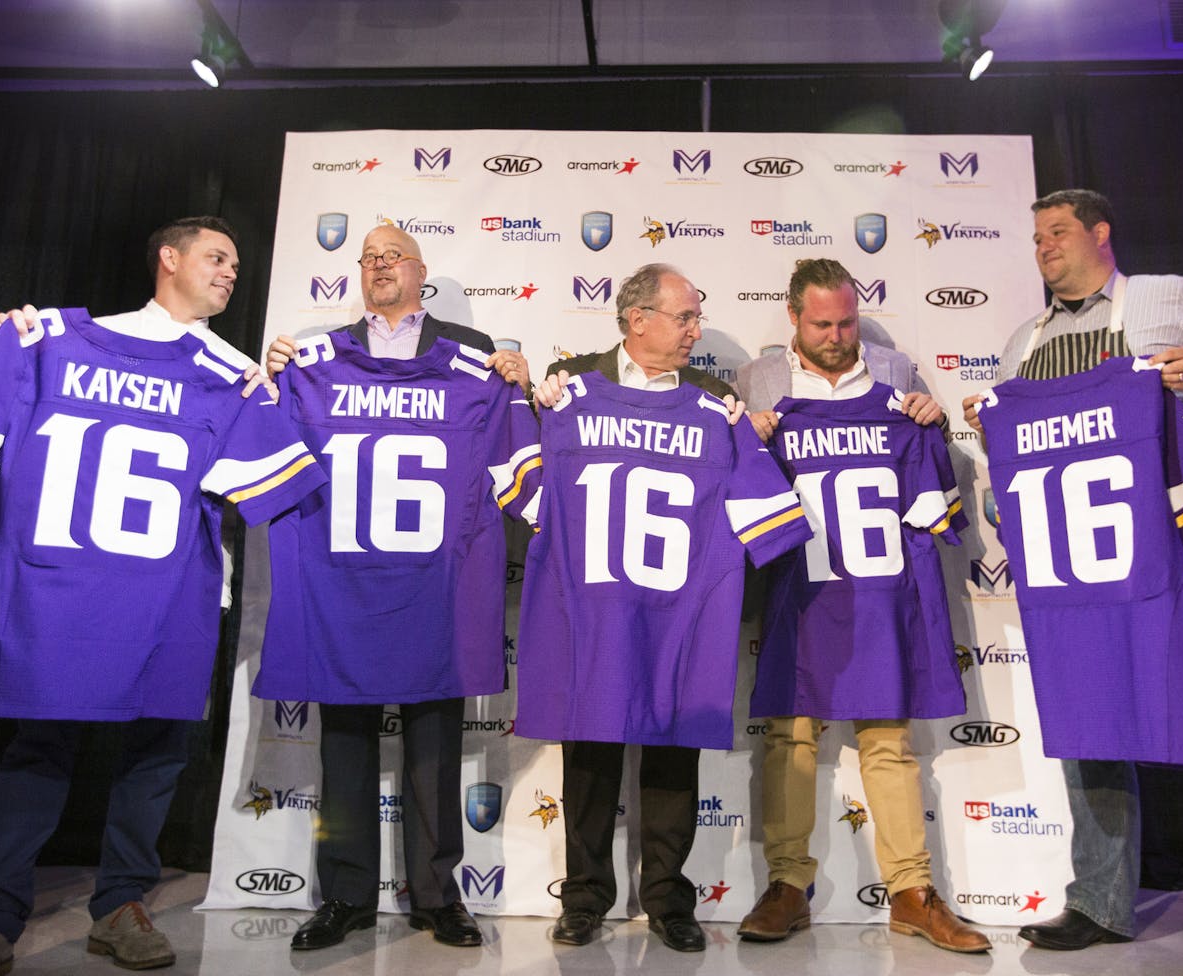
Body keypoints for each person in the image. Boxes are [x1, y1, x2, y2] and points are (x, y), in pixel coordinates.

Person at [0, 217, 327, 975]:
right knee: (37, 750)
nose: (231, 272)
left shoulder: (232, 373)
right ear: (168, 259)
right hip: (59, 596)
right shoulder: (43, 340)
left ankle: (120, 904)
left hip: (165, 601)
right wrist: (2, 342)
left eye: (236, 263)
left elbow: (286, 489)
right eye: (217, 257)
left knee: (156, 752)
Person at [962, 189, 1183, 976]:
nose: (1044, 246)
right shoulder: (1024, 341)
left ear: (1101, 233)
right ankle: (1099, 901)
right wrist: (994, 451)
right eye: (1037, 236)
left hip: (1178, 548)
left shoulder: (1167, 298)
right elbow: (1003, 475)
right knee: (1090, 724)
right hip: (1078, 562)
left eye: (1058, 232)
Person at [262, 223, 530, 951]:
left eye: (393, 257)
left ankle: (438, 897)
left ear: (421, 270)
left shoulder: (472, 355)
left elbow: (511, 441)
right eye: (369, 258)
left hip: (436, 588)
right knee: (343, 746)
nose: (380, 266)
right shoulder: (314, 357)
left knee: (435, 747)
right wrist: (272, 374)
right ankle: (344, 895)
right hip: (344, 584)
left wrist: (521, 382)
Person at [733, 258, 990, 953]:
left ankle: (911, 890)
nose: (838, 334)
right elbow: (735, 477)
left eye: (847, 319)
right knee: (791, 737)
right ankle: (788, 885)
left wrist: (932, 423)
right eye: (823, 322)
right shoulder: (758, 379)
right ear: (793, 316)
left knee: (888, 739)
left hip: (879, 588)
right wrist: (746, 438)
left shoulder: (896, 371)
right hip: (799, 585)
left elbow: (934, 466)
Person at [529, 263, 761, 954]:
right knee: (590, 751)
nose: (696, 329)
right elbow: (522, 482)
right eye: (686, 316)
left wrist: (756, 430)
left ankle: (666, 898)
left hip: (673, 612)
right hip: (595, 608)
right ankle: (585, 897)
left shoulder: (713, 400)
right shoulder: (569, 385)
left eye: (696, 316)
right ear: (638, 320)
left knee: (671, 748)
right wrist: (529, 402)